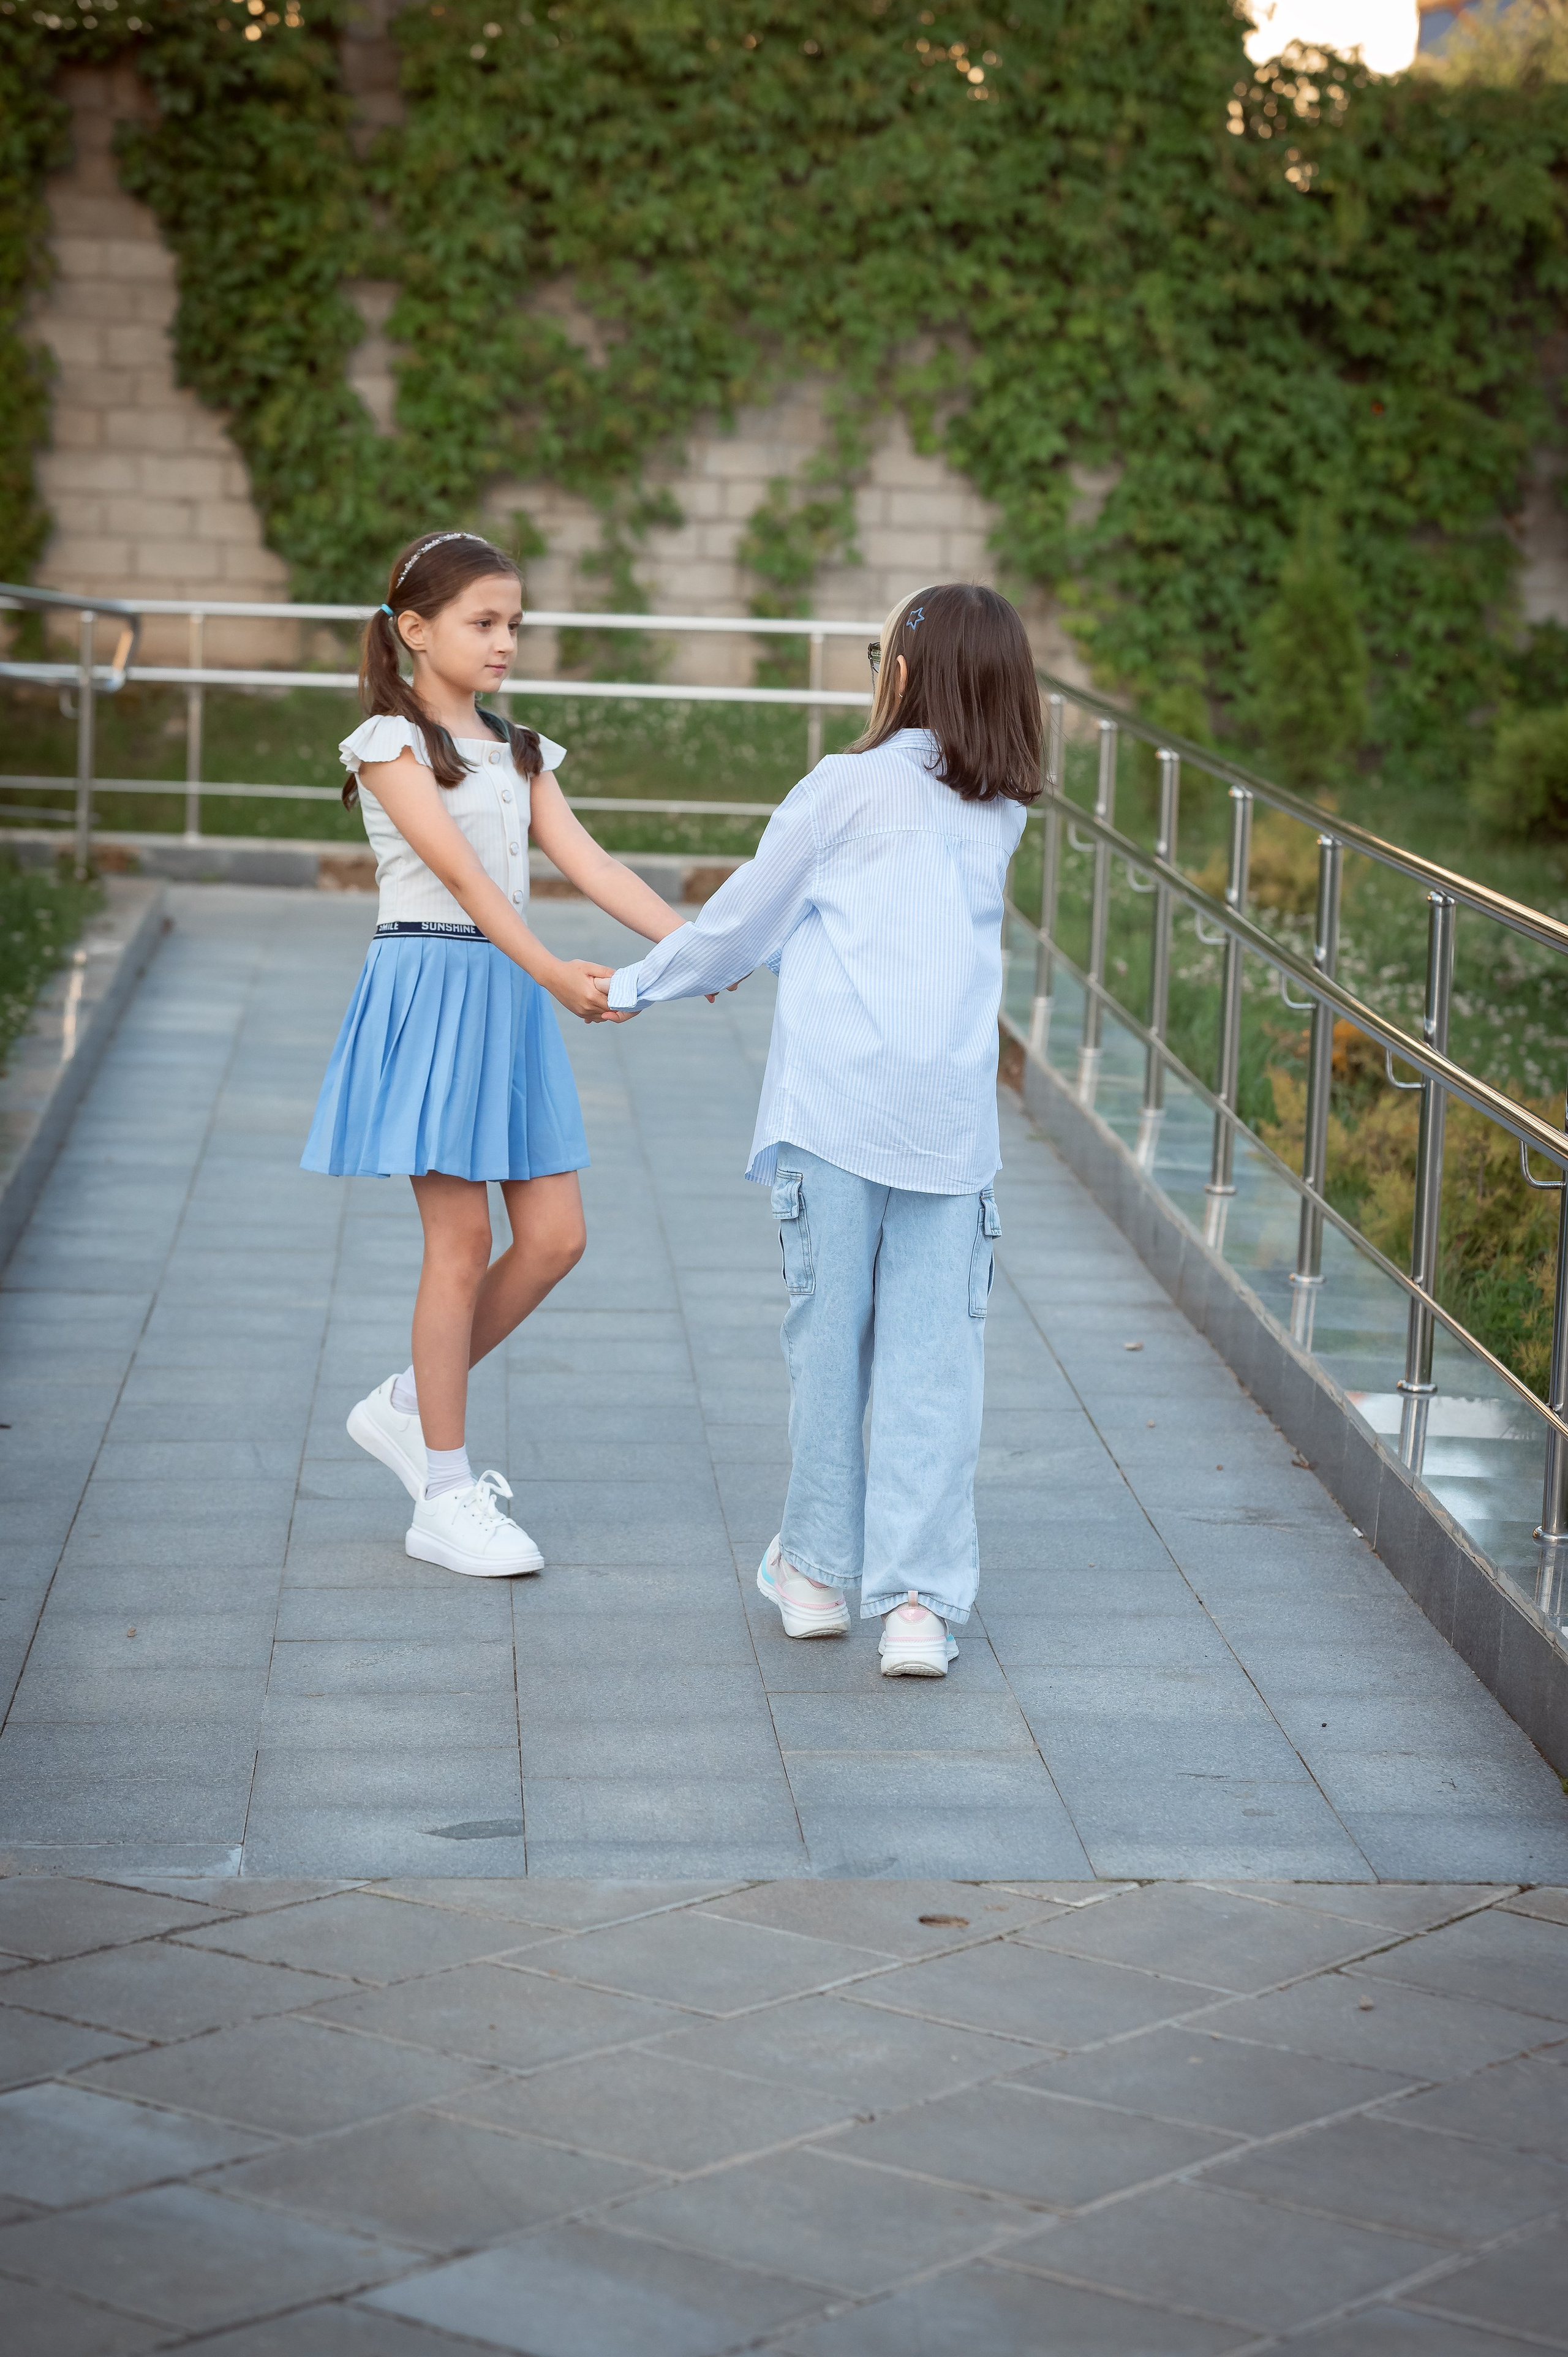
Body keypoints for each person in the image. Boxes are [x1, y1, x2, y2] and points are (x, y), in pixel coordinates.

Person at [600, 582, 1041, 1675]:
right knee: (936, 1366)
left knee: (827, 1344)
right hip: (948, 1133)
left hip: (836, 1117)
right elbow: (860, 940)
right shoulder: (1002, 812)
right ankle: (920, 1609)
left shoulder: (842, 789)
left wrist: (635, 984)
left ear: (900, 676)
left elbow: (746, 919)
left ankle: (814, 1576)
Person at [302, 529, 680, 1579]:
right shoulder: (388, 744)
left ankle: (412, 1402)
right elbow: (468, 881)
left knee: (556, 1237)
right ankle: (445, 1488)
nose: (506, 641)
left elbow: (589, 859)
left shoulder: (521, 749)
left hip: (507, 1002)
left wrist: (698, 948)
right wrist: (559, 974)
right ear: (414, 632)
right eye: (483, 622)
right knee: (460, 1244)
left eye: (515, 622)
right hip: (435, 989)